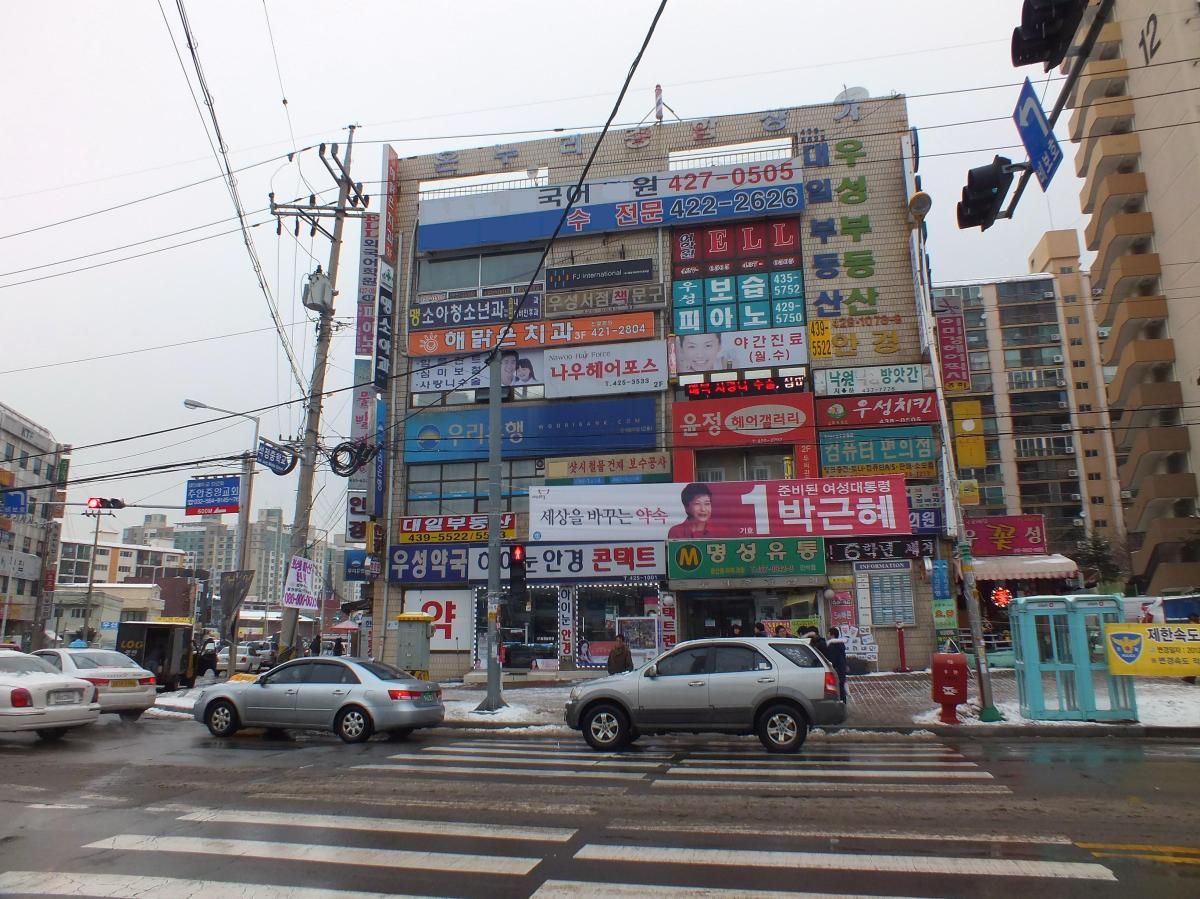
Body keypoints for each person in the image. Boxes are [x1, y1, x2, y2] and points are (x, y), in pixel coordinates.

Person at [825, 627, 849, 703]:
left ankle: (840, 704)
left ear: (832, 635)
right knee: (841, 687)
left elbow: (833, 659)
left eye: (828, 633)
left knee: (838, 688)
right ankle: (843, 702)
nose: (827, 635)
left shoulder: (832, 645)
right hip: (841, 668)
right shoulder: (840, 644)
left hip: (837, 669)